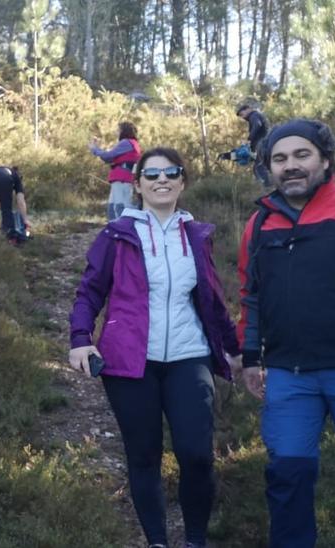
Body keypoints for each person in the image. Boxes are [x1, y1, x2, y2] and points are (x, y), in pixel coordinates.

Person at [69, 147, 242, 548]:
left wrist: (234, 350)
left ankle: (196, 540)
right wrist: (80, 339)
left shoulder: (196, 236)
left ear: (182, 182)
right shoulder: (117, 235)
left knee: (196, 455)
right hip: (130, 362)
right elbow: (89, 292)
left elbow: (212, 299)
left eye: (171, 173)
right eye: (152, 174)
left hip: (188, 356)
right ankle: (158, 541)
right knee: (144, 455)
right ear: (139, 185)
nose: (161, 180)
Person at [237, 119, 335, 548]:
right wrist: (250, 358)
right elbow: (250, 295)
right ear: (268, 167)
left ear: (325, 160)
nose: (291, 166)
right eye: (279, 159)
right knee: (287, 476)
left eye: (301, 155)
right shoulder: (259, 224)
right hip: (290, 376)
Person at [90, 121, 142, 221]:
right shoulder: (132, 143)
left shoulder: (126, 142)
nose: (116, 132)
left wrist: (95, 149)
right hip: (122, 177)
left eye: (118, 130)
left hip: (122, 177)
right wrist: (97, 149)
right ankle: (115, 230)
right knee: (113, 207)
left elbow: (108, 156)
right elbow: (108, 158)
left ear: (123, 131)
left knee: (120, 206)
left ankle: (125, 228)